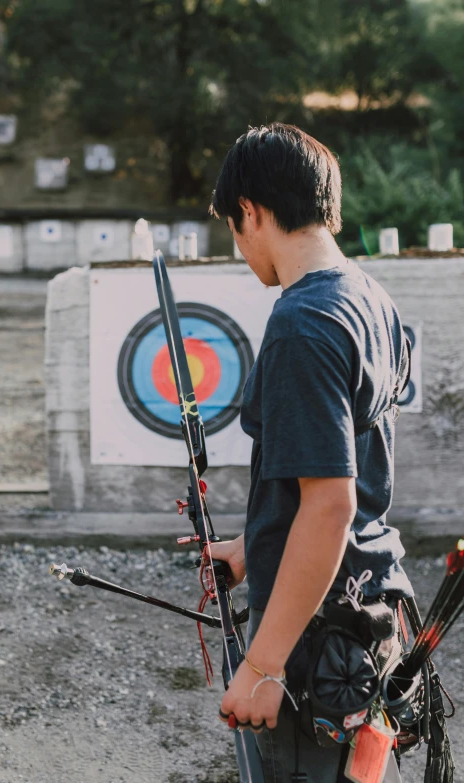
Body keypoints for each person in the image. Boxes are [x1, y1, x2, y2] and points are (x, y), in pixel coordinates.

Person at [208, 123, 414, 783]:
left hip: (316, 642)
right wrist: (253, 545)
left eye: (235, 232)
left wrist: (264, 665)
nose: (242, 250)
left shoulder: (302, 323)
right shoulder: (369, 297)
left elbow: (329, 505)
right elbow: (351, 462)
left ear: (251, 212)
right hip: (371, 609)